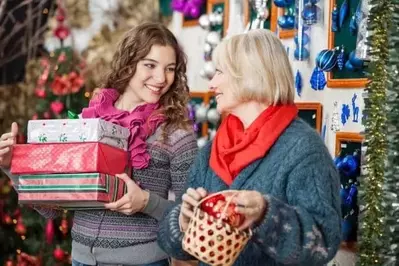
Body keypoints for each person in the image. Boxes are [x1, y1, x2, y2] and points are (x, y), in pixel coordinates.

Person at [0, 22, 198, 266]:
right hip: (81, 260)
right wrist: (12, 167)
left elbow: (193, 217)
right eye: (150, 65)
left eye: (170, 69)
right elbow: (51, 208)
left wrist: (147, 202)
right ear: (129, 63)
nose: (161, 78)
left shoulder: (177, 135)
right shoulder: (87, 122)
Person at [157, 29, 341, 266]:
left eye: (219, 72)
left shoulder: (303, 149)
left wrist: (266, 215)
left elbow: (324, 245)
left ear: (249, 75)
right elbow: (171, 241)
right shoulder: (215, 148)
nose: (211, 84)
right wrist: (183, 221)